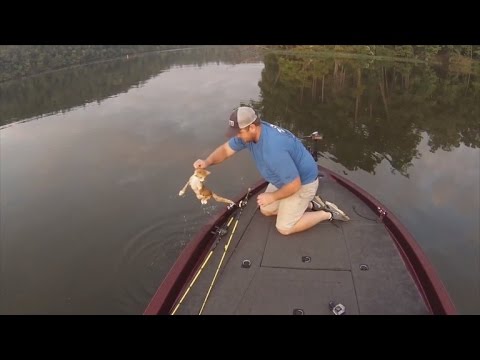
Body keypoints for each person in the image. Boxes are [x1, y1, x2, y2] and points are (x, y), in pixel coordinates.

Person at [193, 106, 349, 236]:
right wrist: (207, 162)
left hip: (303, 183)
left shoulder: (273, 149)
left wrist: (273, 196)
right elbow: (226, 150)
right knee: (266, 209)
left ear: (252, 127)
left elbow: (294, 185)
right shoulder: (252, 132)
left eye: (239, 133)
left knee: (284, 227)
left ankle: (326, 213)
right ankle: (307, 203)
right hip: (283, 178)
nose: (237, 137)